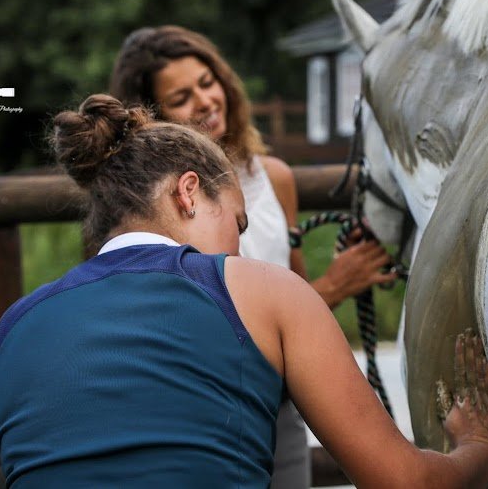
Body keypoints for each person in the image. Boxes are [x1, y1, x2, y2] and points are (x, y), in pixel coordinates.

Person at [0, 94, 488, 487]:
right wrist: (477, 452)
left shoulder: (3, 338)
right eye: (237, 225)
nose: (238, 250)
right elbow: (402, 483)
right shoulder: (263, 290)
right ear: (188, 193)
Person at [109, 25, 397, 488]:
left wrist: (341, 278)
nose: (205, 101)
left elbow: (293, 289)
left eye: (208, 82)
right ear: (153, 115)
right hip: (197, 406)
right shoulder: (145, 206)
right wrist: (337, 283)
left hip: (277, 399)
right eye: (182, 96)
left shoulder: (275, 178)